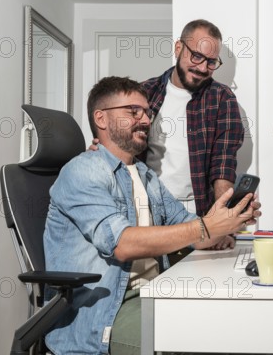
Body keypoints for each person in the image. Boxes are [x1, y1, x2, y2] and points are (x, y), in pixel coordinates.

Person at [44, 76, 260, 355]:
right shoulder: (83, 171)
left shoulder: (145, 175)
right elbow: (122, 244)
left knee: (235, 325)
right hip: (108, 312)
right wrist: (205, 227)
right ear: (101, 119)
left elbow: (191, 234)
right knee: (207, 342)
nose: (145, 119)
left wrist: (228, 221)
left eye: (147, 112)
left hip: (154, 293)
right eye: (133, 111)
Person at [94, 19, 247, 219]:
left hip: (196, 210)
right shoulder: (144, 93)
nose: (202, 68)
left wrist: (221, 220)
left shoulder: (222, 99)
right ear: (178, 48)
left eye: (211, 62)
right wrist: (100, 153)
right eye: (196, 56)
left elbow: (223, 165)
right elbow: (119, 143)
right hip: (145, 205)